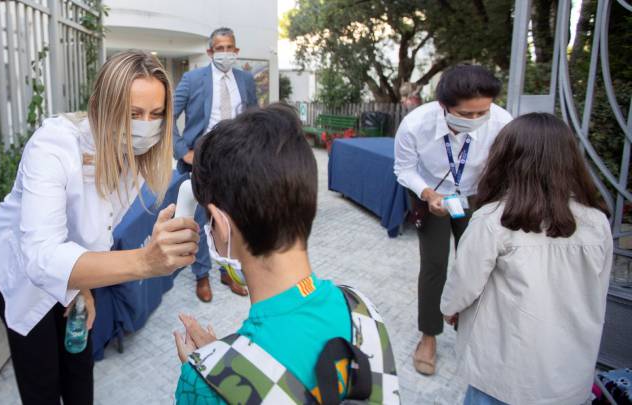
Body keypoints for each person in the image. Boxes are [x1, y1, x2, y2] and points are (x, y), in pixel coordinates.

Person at [0, 51, 200, 405]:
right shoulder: (52, 145)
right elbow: (42, 256)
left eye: (156, 115)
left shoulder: (135, 157)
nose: (146, 125)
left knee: (79, 359)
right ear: (100, 106)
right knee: (42, 380)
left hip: (75, 269)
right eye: (133, 114)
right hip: (20, 273)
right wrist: (145, 261)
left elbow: (98, 233)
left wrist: (83, 288)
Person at [172, 104, 399, 404]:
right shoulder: (362, 308)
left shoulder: (203, 385)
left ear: (222, 225)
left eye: (208, 221)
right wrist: (222, 359)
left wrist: (211, 371)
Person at [440, 113, 613, 405]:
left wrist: (449, 308)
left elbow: (463, 284)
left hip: (504, 374)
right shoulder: (597, 222)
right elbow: (599, 287)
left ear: (507, 159)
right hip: (569, 373)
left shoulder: (493, 220)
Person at [393, 64, 513, 376]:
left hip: (476, 198)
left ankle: (472, 327)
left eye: (482, 113)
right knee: (434, 265)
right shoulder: (415, 124)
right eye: (467, 115)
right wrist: (428, 194)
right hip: (433, 197)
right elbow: (404, 169)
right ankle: (429, 336)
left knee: (478, 263)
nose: (476, 120)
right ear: (444, 106)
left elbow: (509, 167)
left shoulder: (502, 123)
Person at [172, 27, 259, 302]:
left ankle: (227, 271)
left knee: (231, 220)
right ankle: (201, 276)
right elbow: (167, 116)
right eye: (219, 48)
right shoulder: (192, 78)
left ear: (236, 51)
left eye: (229, 47)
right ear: (210, 52)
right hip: (200, 161)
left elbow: (254, 117)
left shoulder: (245, 79)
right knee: (199, 220)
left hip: (234, 162)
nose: (225, 52)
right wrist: (181, 150)